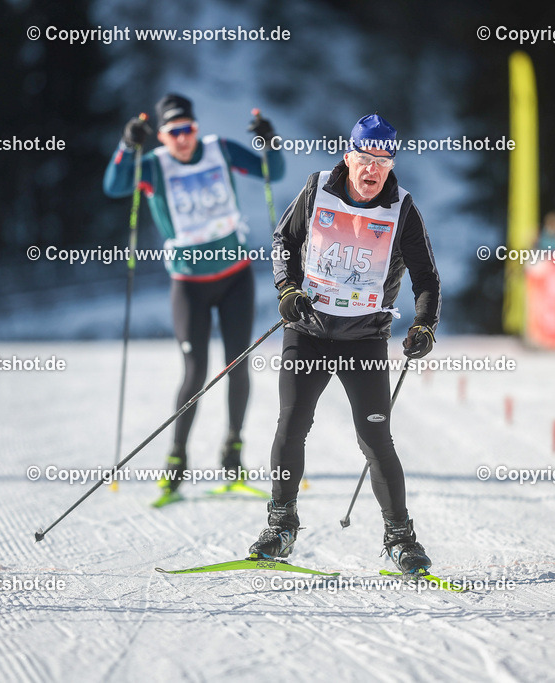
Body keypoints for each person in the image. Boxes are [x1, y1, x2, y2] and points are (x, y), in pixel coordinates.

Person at [248, 114, 442, 575]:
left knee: (376, 438)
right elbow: (283, 241)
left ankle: (400, 537)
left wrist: (425, 325)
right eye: (366, 158)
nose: (374, 169)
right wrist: (287, 290)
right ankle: (281, 524)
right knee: (291, 428)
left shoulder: (404, 210)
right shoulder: (317, 189)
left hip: (365, 339)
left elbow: (427, 277)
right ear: (348, 156)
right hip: (308, 331)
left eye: (384, 160)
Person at [103, 93, 284, 499]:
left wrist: (270, 140)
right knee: (194, 372)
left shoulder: (219, 150)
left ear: (196, 129)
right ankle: (176, 460)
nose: (182, 138)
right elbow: (114, 185)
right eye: (173, 132)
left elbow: (273, 171)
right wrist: (127, 145)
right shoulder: (153, 165)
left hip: (235, 277)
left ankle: (232, 454)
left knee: (238, 366)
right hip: (189, 285)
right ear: (163, 137)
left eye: (187, 129)